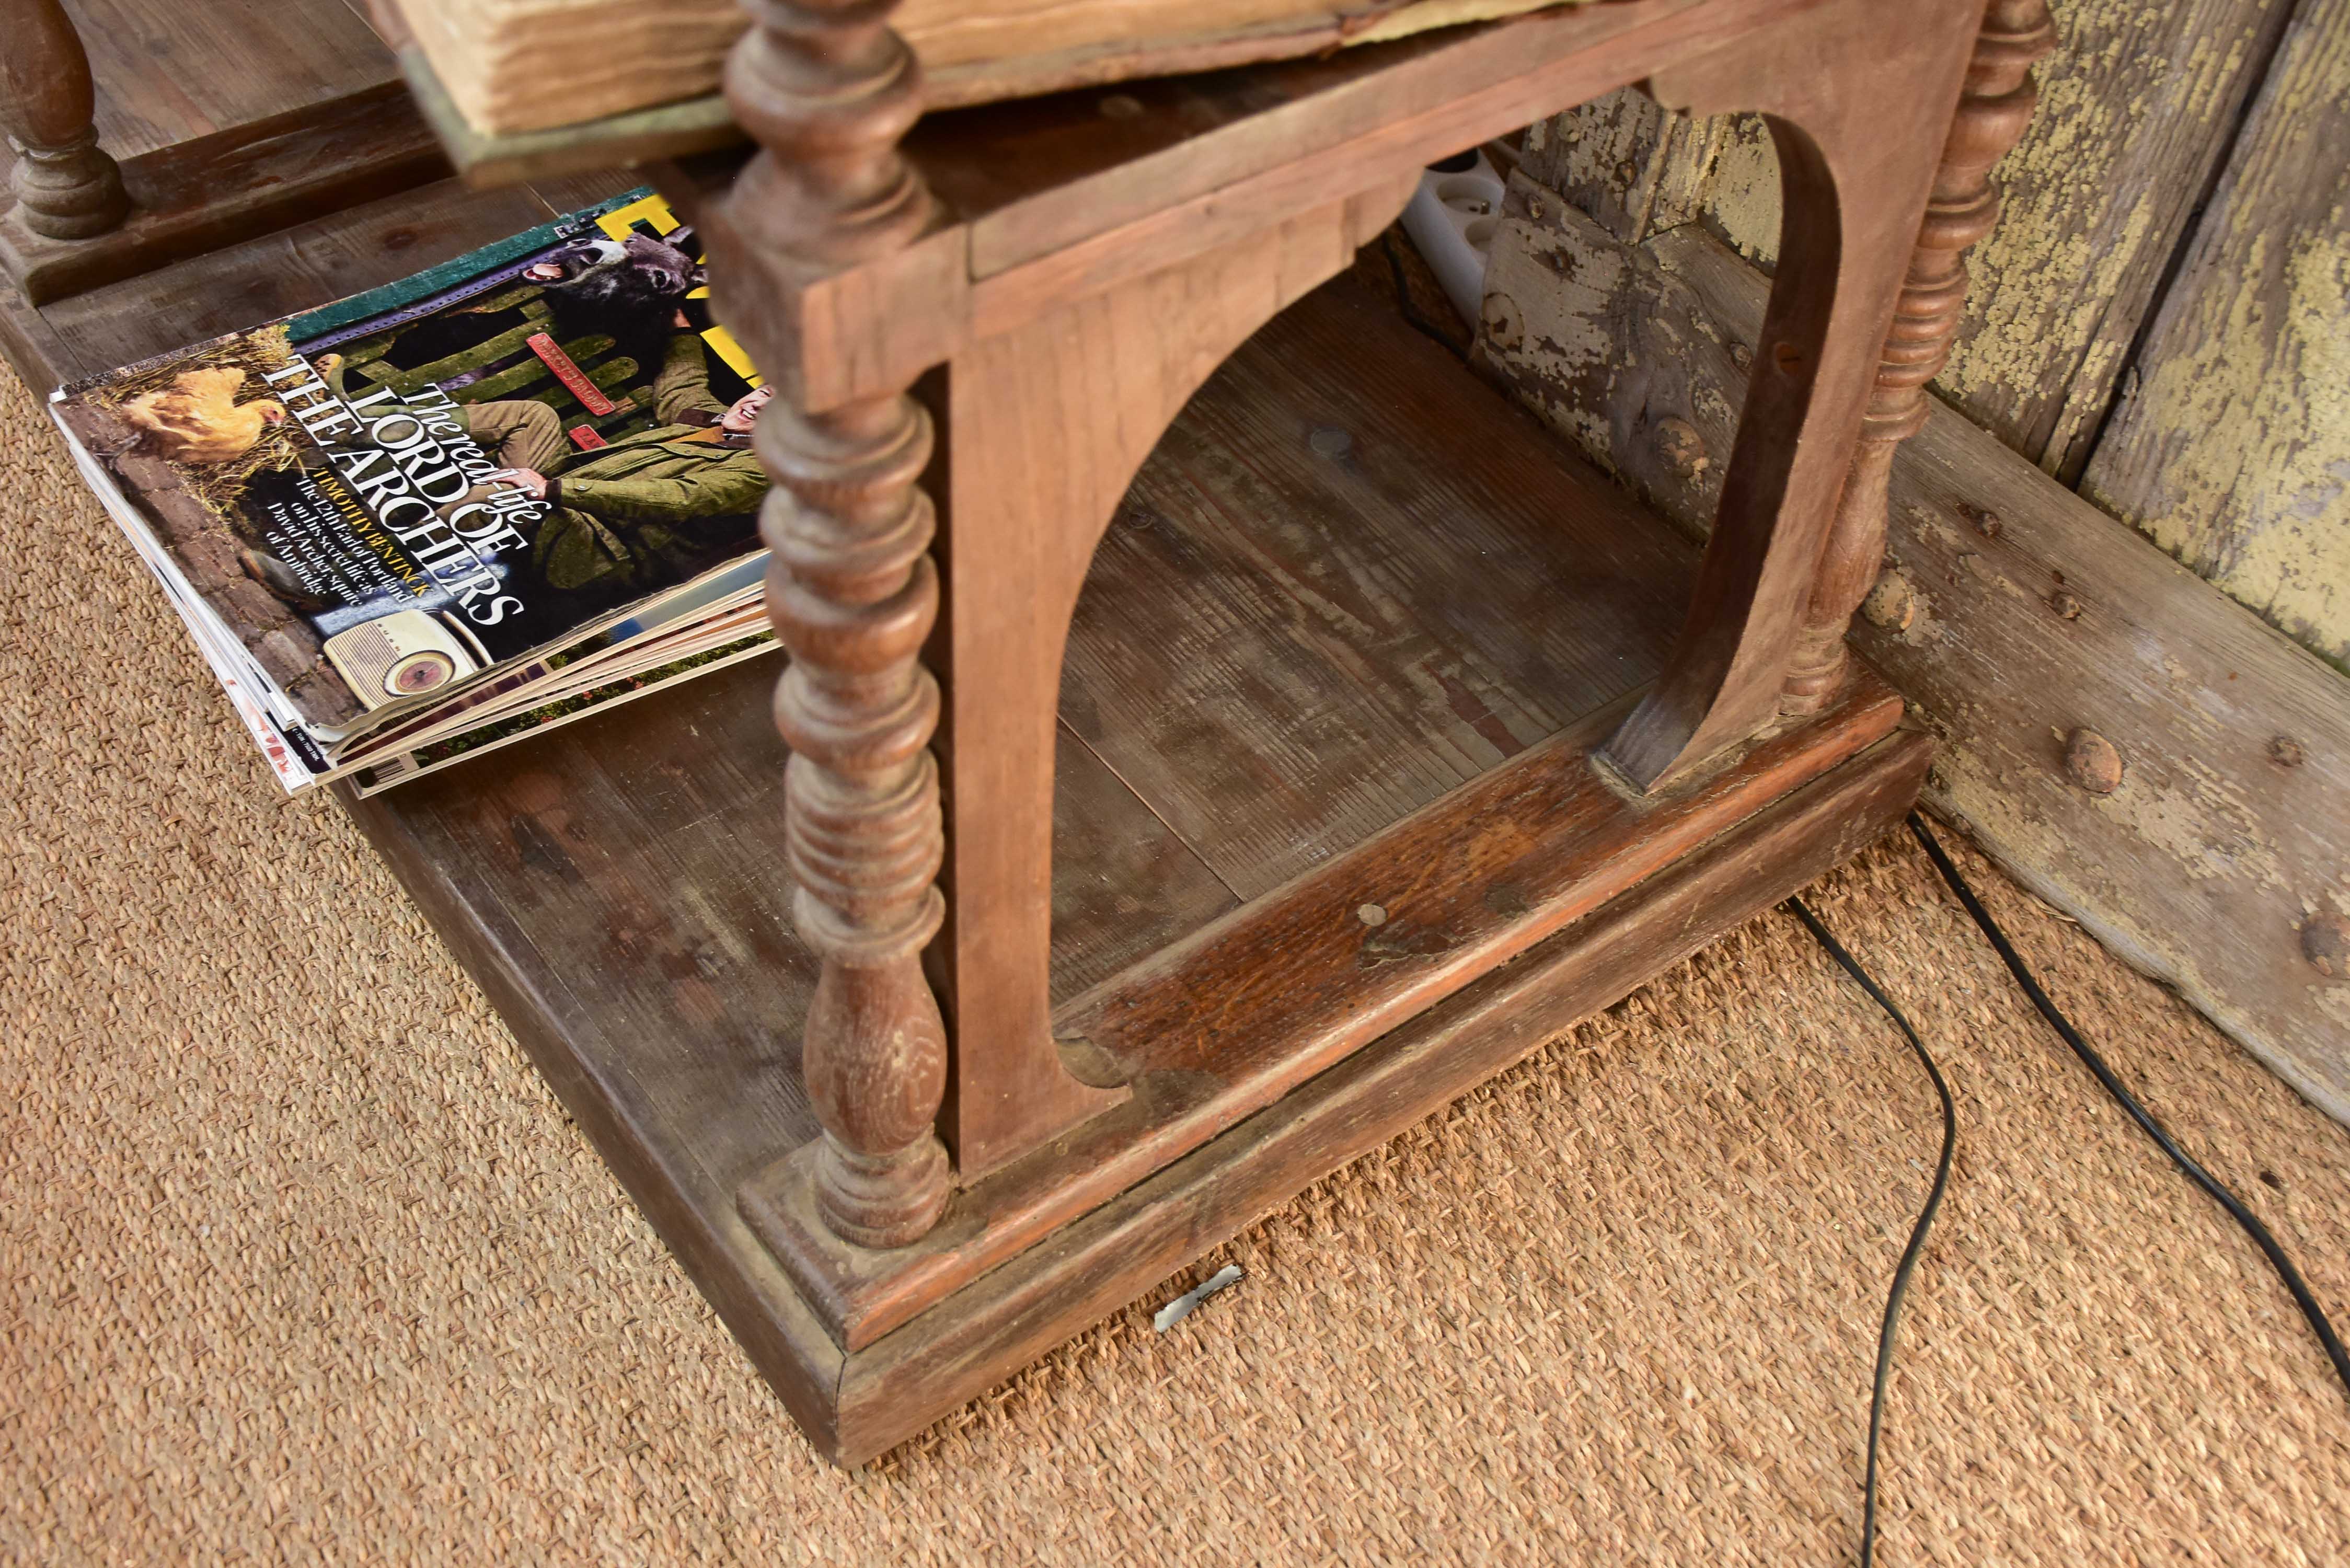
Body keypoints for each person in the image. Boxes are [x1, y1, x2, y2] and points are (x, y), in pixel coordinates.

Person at [459, 328, 773, 597]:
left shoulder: (762, 471)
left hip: (592, 543)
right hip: (559, 492)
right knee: (533, 415)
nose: (759, 404)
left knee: (497, 499)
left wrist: (552, 489)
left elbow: (681, 497)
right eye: (766, 392)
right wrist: (681, 330)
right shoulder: (709, 419)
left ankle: (412, 543)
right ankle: (412, 424)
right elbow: (684, 381)